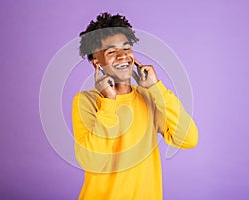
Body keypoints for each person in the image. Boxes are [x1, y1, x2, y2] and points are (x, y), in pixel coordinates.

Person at [72, 12, 198, 200]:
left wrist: (157, 88)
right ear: (96, 62)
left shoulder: (149, 97)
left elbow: (188, 139)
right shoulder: (86, 101)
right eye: (111, 51)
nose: (123, 56)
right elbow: (92, 161)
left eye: (127, 48)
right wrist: (109, 102)